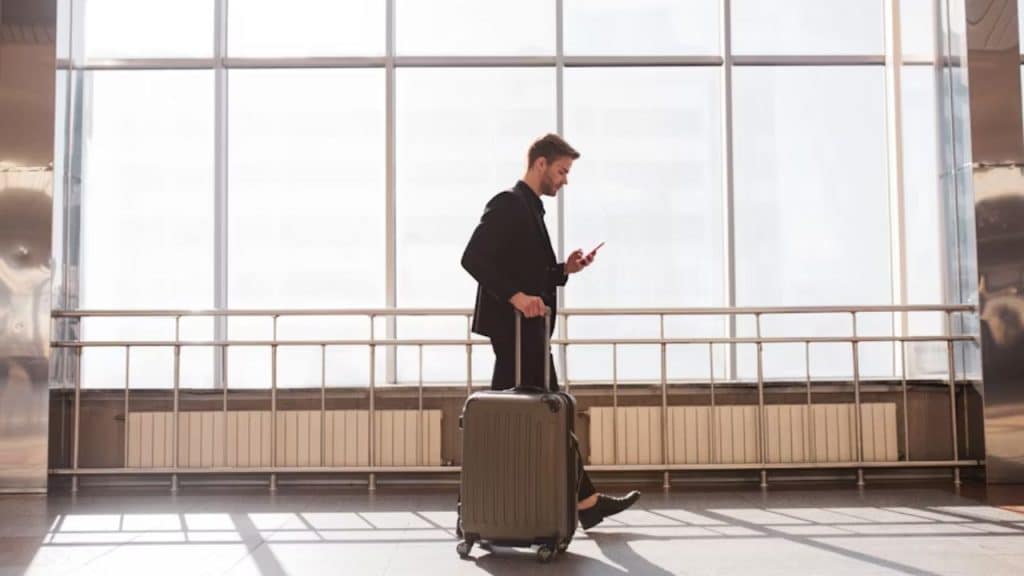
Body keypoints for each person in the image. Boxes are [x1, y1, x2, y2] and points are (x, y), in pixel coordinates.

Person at [461, 133, 640, 530]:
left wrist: (565, 270)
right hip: (518, 335)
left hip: (529, 334)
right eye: (562, 171)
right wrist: (515, 296)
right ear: (540, 164)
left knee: (528, 420)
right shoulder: (508, 203)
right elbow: (473, 257)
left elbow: (529, 272)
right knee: (543, 417)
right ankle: (475, 511)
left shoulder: (532, 210)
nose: (564, 180)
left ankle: (584, 502)